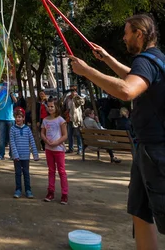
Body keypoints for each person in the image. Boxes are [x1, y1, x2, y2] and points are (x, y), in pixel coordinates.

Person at [70, 14, 165, 249]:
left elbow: (126, 90)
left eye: (126, 33)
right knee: (140, 213)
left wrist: (87, 71)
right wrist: (107, 58)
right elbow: (132, 77)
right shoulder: (155, 59)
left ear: (139, 35)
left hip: (156, 152)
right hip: (146, 150)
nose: (123, 37)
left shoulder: (145, 61)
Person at [41, 98, 69, 204]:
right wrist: (45, 140)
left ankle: (64, 194)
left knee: (61, 171)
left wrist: (57, 142)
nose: (50, 108)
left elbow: (65, 135)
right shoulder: (45, 120)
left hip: (58, 149)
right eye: (48, 106)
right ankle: (50, 192)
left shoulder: (60, 120)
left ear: (56, 107)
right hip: (49, 149)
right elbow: (42, 133)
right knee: (51, 171)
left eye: (52, 106)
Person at [9, 107, 39, 198]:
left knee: (26, 173)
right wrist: (15, 154)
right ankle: (18, 189)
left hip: (26, 156)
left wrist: (35, 154)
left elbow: (32, 141)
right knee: (18, 173)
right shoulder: (12, 129)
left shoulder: (27, 129)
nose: (18, 119)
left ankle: (28, 190)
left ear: (23, 118)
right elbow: (12, 143)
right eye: (17, 117)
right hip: (17, 156)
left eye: (20, 117)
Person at [0, 84, 17, 160]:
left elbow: (15, 101)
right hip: (1, 119)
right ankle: (1, 154)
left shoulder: (11, 95)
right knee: (1, 138)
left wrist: (10, 93)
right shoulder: (0, 95)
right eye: (4, 86)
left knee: (12, 138)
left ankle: (12, 154)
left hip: (10, 119)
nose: (5, 88)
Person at [63, 86, 84, 155]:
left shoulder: (77, 97)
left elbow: (81, 102)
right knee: (69, 134)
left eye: (74, 90)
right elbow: (63, 105)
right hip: (69, 118)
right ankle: (70, 148)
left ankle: (80, 149)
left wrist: (76, 97)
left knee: (78, 134)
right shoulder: (67, 98)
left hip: (76, 119)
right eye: (71, 90)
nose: (72, 92)